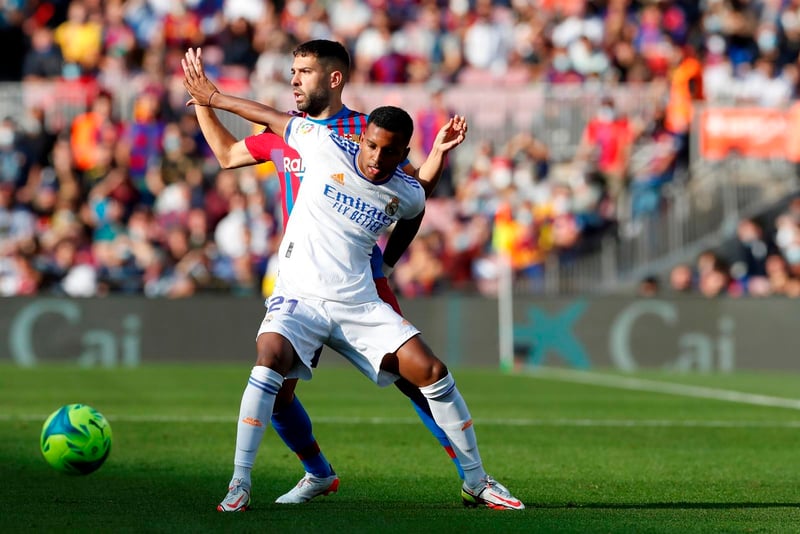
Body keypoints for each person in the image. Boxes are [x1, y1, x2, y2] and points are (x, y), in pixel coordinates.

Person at [183, 46, 524, 512]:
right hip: (301, 276)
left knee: (419, 378)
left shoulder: (364, 132)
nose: (296, 80)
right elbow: (225, 155)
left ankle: (474, 478)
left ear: (335, 78)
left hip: (359, 282)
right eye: (293, 72)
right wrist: (204, 100)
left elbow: (410, 192)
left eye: (304, 72)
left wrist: (387, 263)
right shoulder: (295, 131)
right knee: (278, 386)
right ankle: (316, 473)